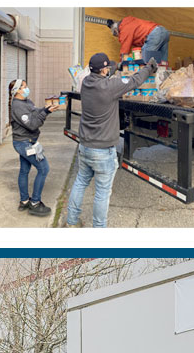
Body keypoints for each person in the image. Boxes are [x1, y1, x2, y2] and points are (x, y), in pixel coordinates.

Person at [65, 52, 156, 228]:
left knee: (80, 182)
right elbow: (135, 81)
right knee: (102, 192)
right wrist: (149, 67)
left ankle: (71, 222)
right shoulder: (110, 86)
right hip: (103, 150)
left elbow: (107, 71)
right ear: (103, 70)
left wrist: (114, 65)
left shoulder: (85, 83)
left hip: (85, 146)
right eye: (106, 68)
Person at [8, 79, 61, 217]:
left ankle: (24, 201)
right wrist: (45, 114)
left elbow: (34, 112)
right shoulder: (17, 106)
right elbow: (32, 124)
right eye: (24, 87)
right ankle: (35, 203)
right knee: (44, 168)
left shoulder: (26, 102)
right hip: (23, 143)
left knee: (24, 171)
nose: (27, 88)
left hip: (29, 141)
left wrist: (46, 109)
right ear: (17, 90)